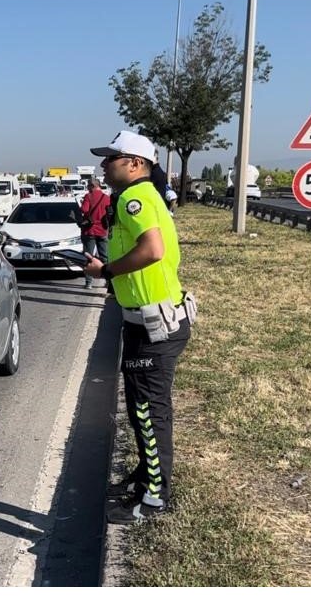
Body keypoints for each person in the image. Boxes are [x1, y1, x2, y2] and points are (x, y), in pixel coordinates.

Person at [84, 130, 192, 525]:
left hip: (154, 324)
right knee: (140, 409)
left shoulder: (135, 198)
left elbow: (153, 250)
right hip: (147, 320)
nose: (103, 165)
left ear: (135, 163)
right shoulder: (142, 197)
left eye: (110, 158)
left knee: (148, 411)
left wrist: (106, 270)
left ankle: (155, 496)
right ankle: (146, 477)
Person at [79, 179, 111, 289]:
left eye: (88, 186)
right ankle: (108, 281)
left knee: (88, 256)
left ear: (93, 186)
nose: (87, 188)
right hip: (103, 230)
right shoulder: (106, 198)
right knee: (105, 256)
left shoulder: (88, 196)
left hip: (90, 230)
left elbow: (84, 209)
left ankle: (89, 282)